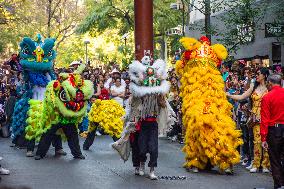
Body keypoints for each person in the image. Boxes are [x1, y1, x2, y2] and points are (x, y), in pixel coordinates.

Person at [227, 67, 270, 173]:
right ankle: (256, 163)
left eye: (259, 73)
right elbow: (242, 97)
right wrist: (230, 95)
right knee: (256, 141)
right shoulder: (253, 87)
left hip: (267, 117)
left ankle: (265, 165)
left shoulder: (270, 87)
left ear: (264, 75)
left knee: (266, 140)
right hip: (255, 117)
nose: (257, 75)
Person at [260, 74, 284, 189]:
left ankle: (279, 185)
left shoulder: (267, 97)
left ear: (269, 83)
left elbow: (265, 119)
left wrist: (263, 138)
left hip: (275, 130)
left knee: (275, 159)